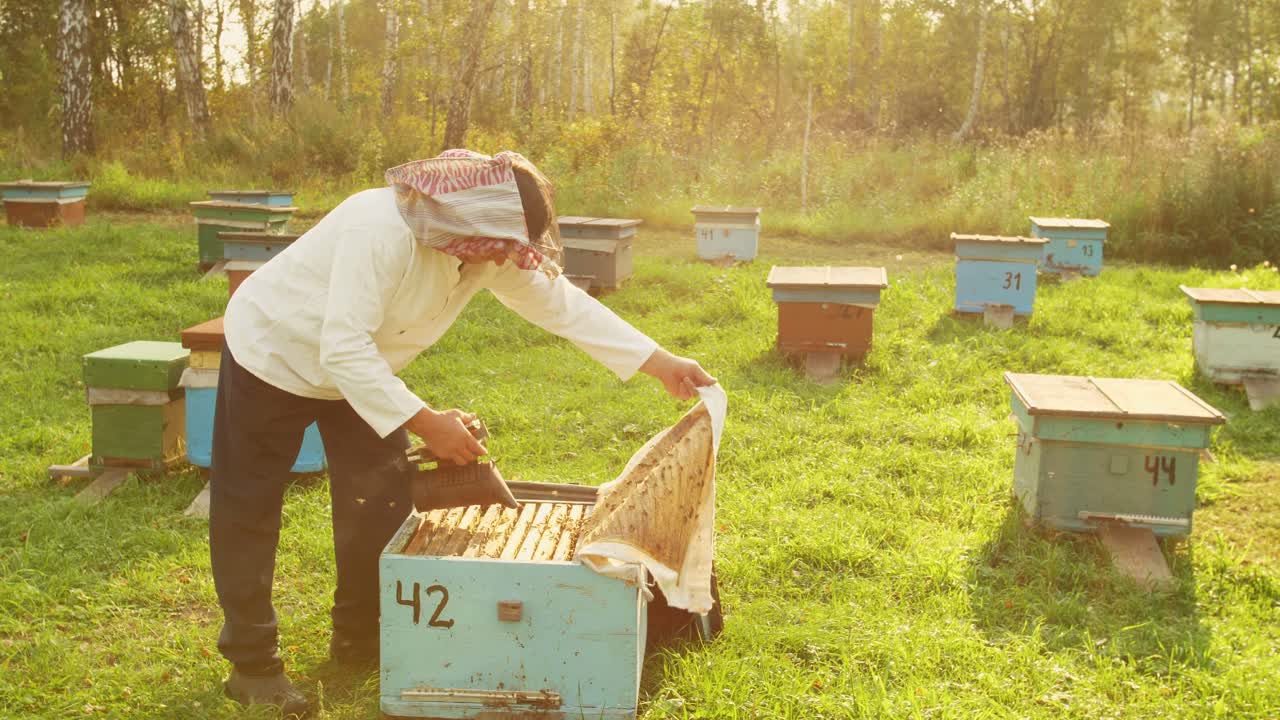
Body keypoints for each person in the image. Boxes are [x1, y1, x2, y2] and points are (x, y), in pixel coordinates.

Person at [210, 149, 715, 717]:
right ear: (462, 220)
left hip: (363, 365)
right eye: (498, 243)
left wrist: (659, 360)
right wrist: (428, 423)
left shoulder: (485, 245)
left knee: (377, 501)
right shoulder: (376, 228)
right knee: (248, 508)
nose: (504, 257)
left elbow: (561, 305)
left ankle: (361, 635)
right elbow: (341, 348)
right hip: (274, 351)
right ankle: (252, 666)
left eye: (511, 245)